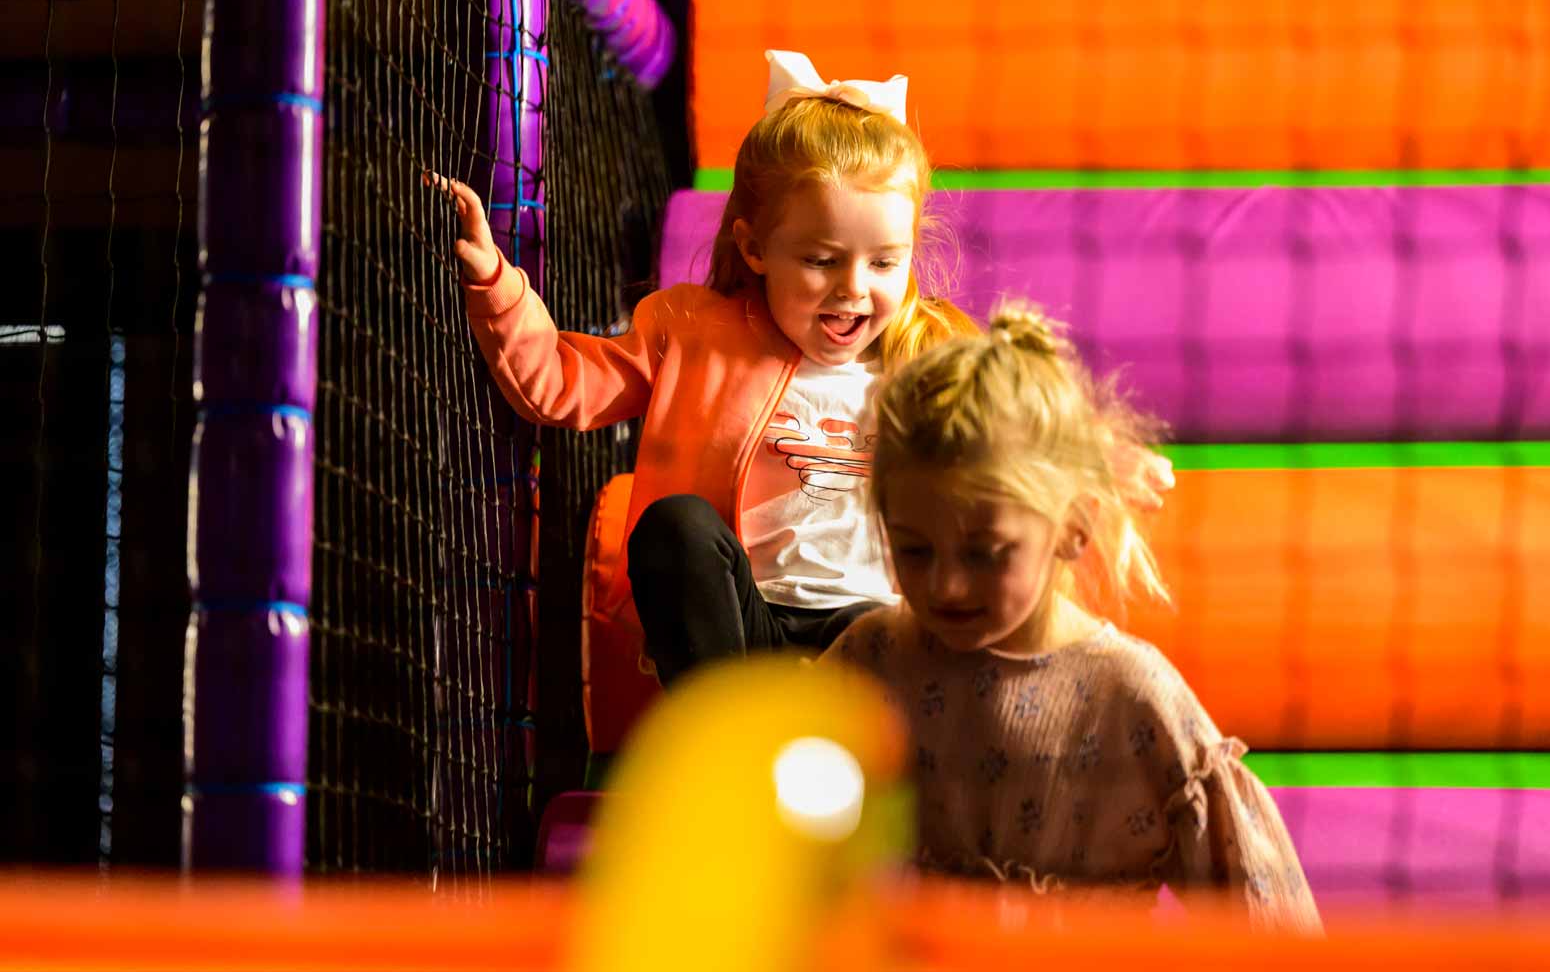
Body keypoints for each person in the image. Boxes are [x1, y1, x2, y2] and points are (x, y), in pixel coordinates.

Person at [439, 50, 981, 686]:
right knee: (674, 526)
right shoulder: (696, 333)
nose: (853, 289)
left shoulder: (932, 356)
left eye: (884, 263)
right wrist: (495, 286)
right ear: (755, 248)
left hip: (871, 630)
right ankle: (724, 725)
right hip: (741, 620)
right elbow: (564, 384)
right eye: (821, 261)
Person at [823, 304, 1321, 931]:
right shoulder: (872, 659)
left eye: (986, 553)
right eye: (914, 549)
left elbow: (1266, 921)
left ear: (1072, 527)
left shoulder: (1130, 695)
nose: (945, 584)